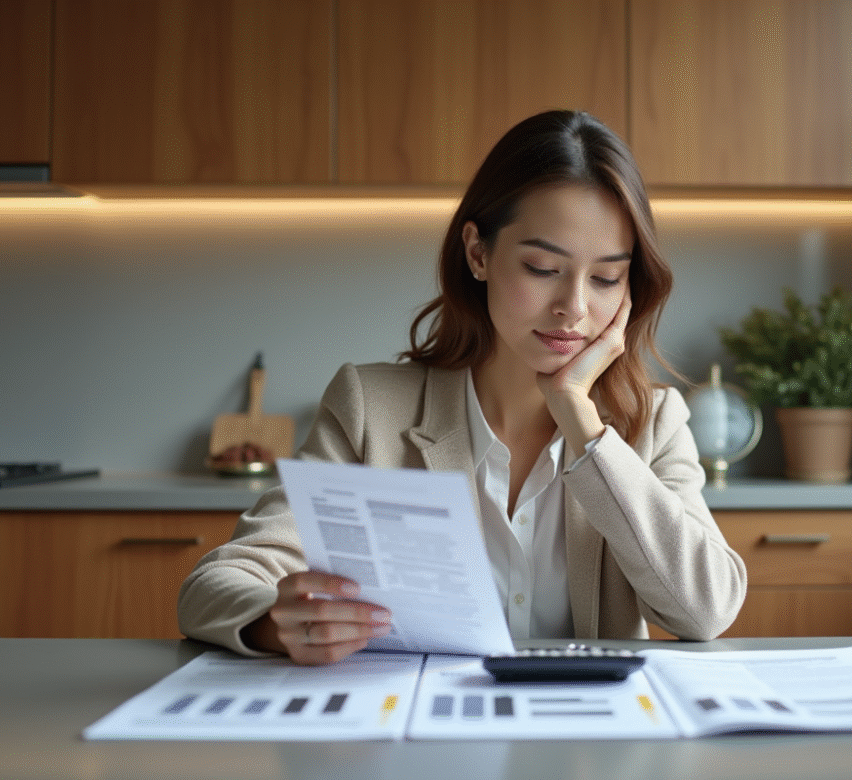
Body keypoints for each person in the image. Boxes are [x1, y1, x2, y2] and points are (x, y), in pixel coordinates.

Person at [178, 110, 747, 665]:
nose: (574, 307)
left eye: (605, 277)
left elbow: (707, 610)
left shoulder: (654, 421)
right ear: (478, 253)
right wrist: (273, 623)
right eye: (542, 268)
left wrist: (581, 421)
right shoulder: (370, 409)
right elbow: (216, 583)